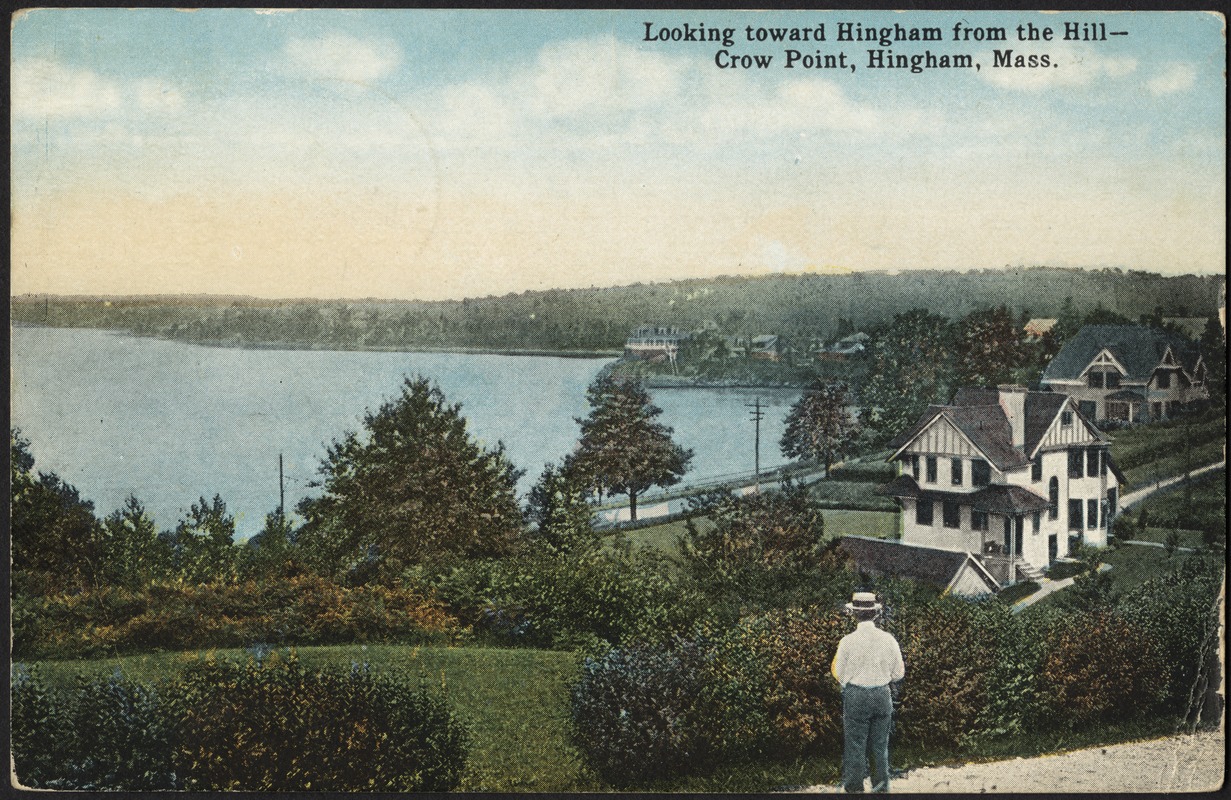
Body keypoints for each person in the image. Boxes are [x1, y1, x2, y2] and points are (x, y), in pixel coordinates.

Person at [831, 591, 905, 793]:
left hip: (856, 695)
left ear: (854, 614)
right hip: (882, 695)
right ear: (875, 614)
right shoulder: (888, 640)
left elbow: (838, 672)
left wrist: (851, 682)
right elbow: (899, 673)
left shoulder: (847, 641)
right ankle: (880, 789)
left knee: (855, 746)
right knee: (880, 748)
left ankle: (854, 790)